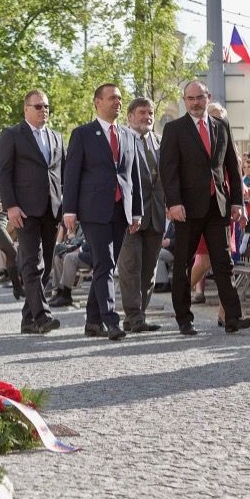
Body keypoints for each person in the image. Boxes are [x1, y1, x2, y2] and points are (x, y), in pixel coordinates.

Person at [159, 81, 250, 336]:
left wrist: (238, 203)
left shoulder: (220, 127)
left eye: (199, 98)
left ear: (207, 97)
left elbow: (232, 168)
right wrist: (173, 202)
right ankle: (184, 319)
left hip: (218, 207)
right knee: (184, 265)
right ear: (184, 100)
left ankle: (232, 317)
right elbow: (168, 171)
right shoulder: (174, 129)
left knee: (223, 263)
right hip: (187, 209)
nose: (194, 103)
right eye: (189, 99)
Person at [63, 84, 142, 341]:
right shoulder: (83, 134)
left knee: (103, 265)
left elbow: (134, 176)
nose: (117, 103)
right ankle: (111, 320)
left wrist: (137, 211)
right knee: (105, 264)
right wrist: (70, 210)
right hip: (94, 210)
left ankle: (92, 321)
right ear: (97, 102)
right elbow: (72, 175)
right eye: (111, 98)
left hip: (122, 209)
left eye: (119, 98)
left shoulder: (129, 135)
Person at [0, 88, 65, 335]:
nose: (43, 110)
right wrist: (10, 205)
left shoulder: (56, 137)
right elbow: (2, 172)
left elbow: (61, 174)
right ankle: (43, 316)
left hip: (52, 209)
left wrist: (66, 209)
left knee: (45, 264)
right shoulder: (13, 134)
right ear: (26, 109)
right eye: (38, 106)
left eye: (46, 106)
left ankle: (28, 319)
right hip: (24, 209)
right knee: (32, 263)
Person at [117, 96, 166, 333]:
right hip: (130, 217)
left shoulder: (159, 141)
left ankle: (140, 315)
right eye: (142, 113)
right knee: (130, 269)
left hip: (156, 215)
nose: (147, 117)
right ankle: (133, 316)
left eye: (150, 113)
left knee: (149, 271)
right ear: (130, 116)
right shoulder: (122, 140)